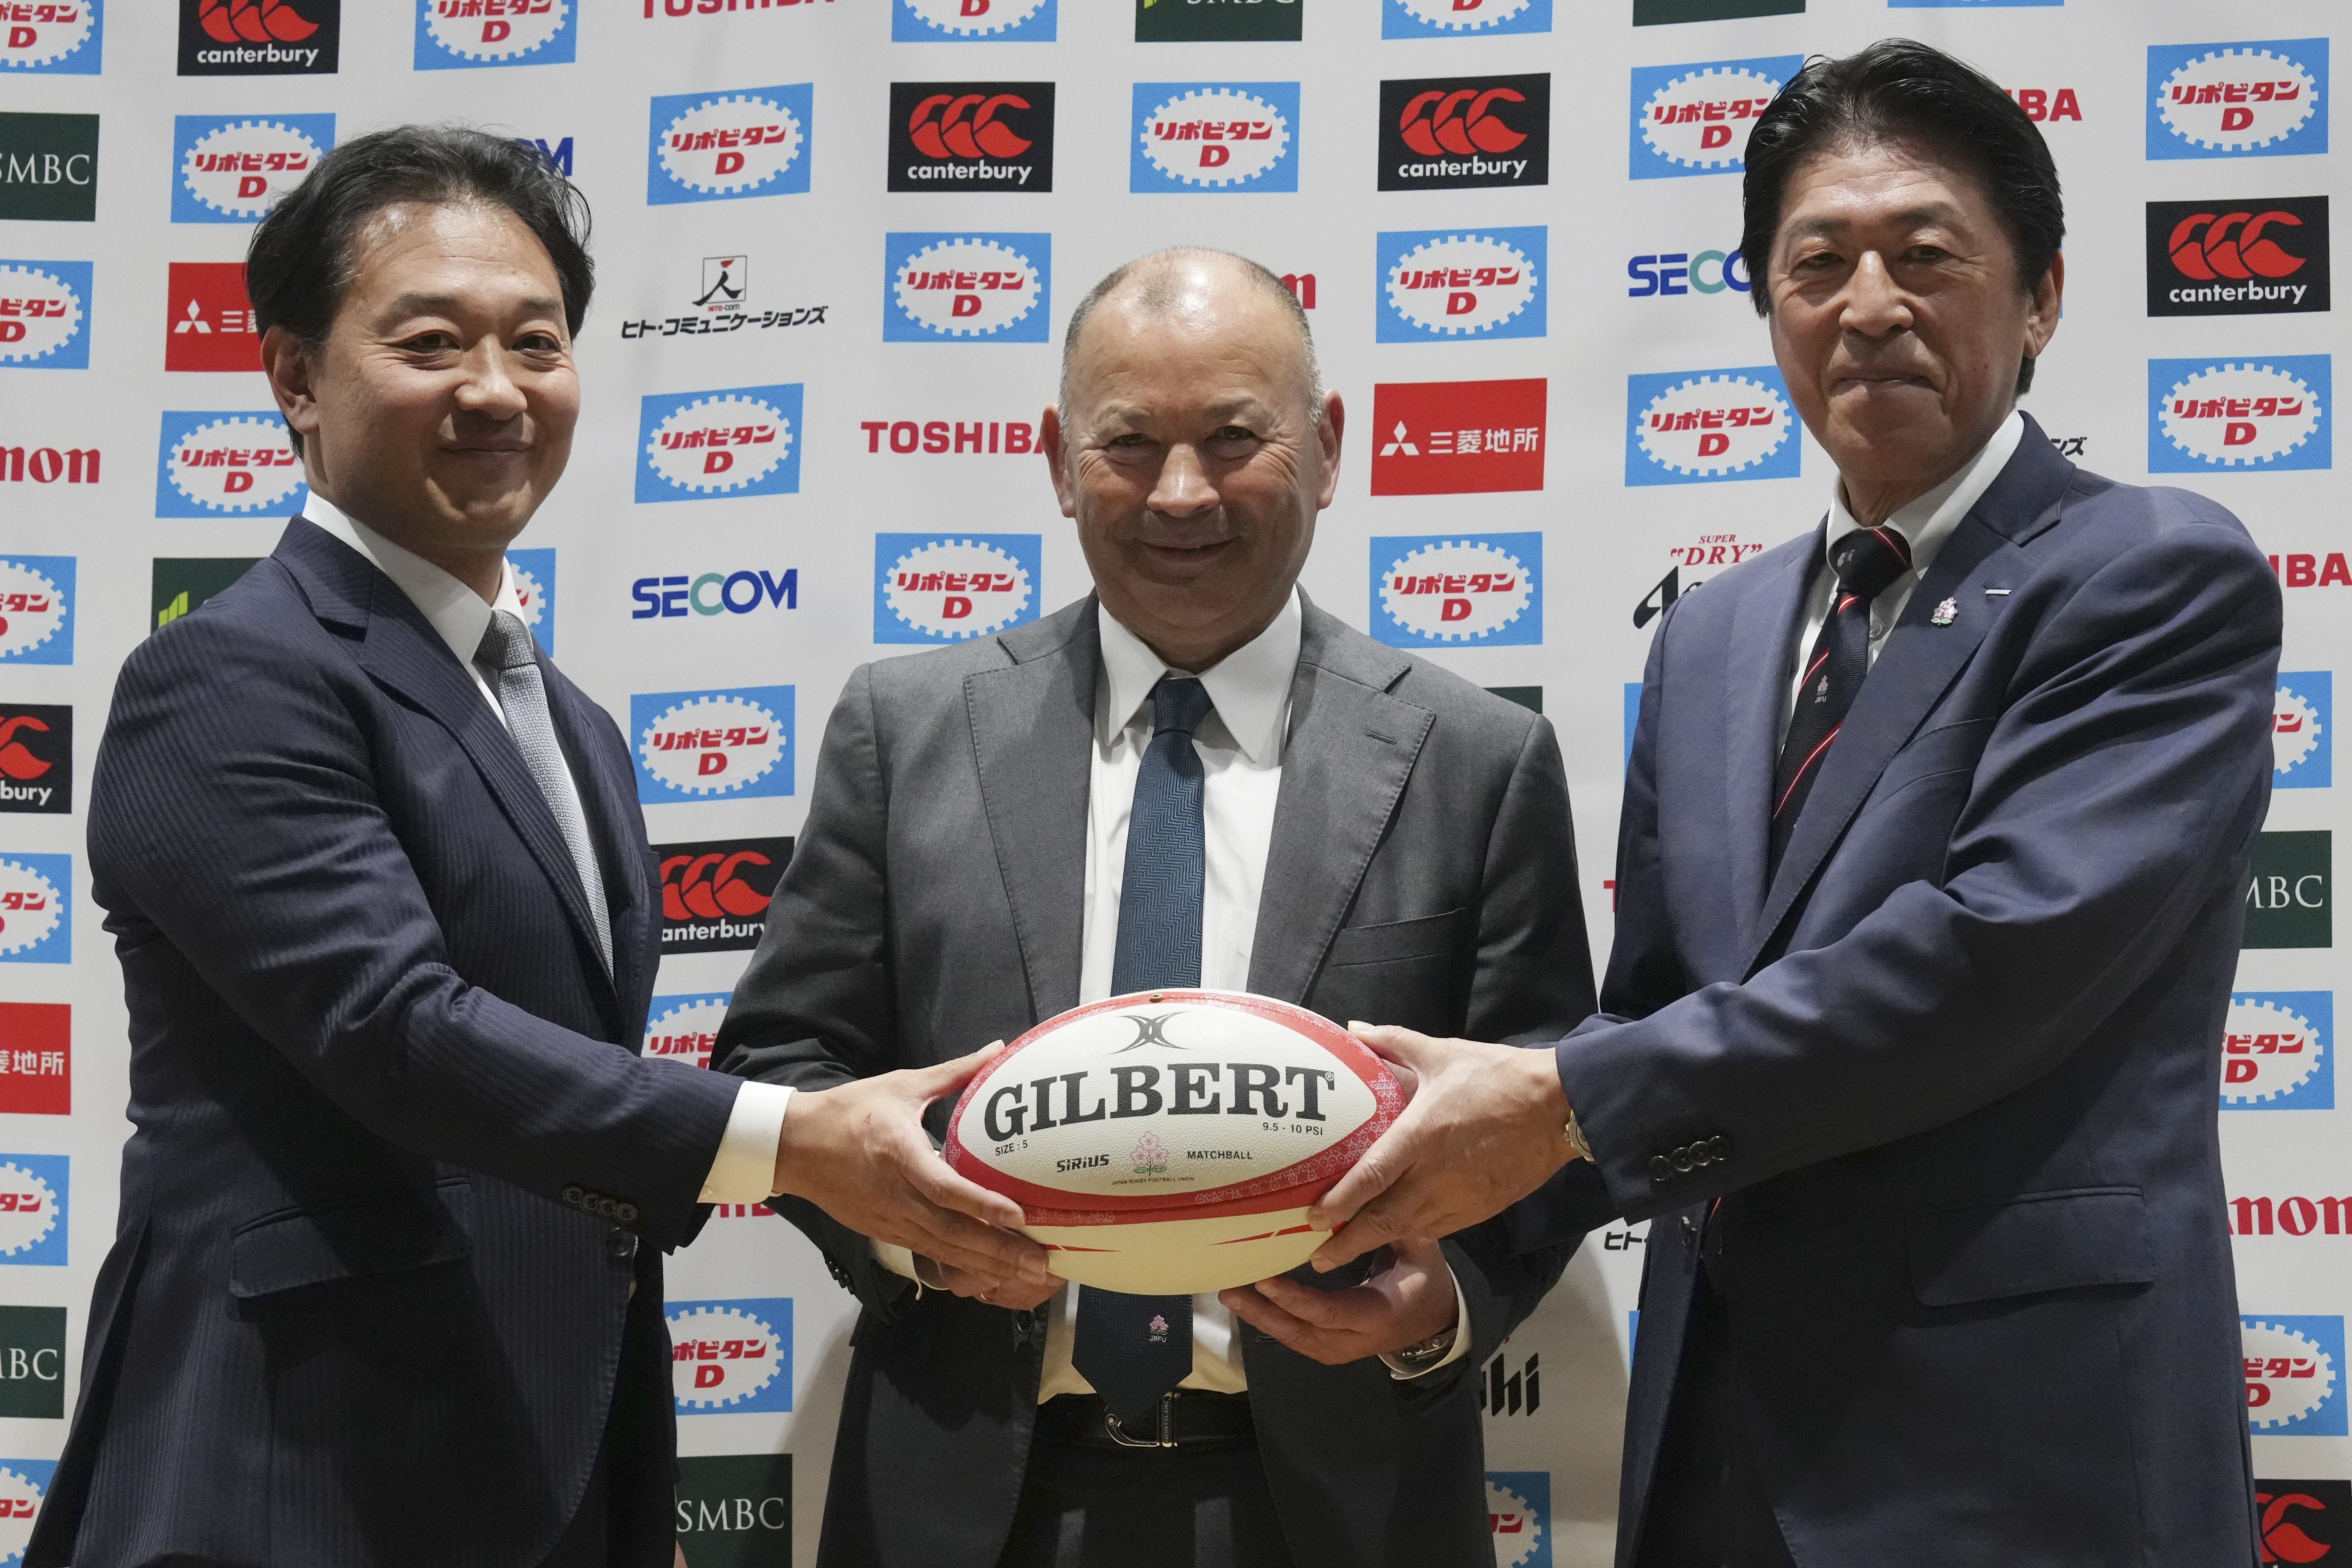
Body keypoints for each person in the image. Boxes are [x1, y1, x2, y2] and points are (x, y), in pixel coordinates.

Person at [1306, 40, 2282, 1568]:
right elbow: (1645, 1011)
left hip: (2030, 1466)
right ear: (1768, 303)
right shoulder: (1710, 639)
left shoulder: (2152, 575)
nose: (1869, 301)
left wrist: (1557, 1105)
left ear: (2041, 297)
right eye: (1816, 259)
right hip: (1717, 1456)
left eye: (1925, 254)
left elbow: (1989, 959)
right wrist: (1450, 1272)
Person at [32, 126, 1044, 1568]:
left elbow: (566, 1158)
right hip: (290, 1481)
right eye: (431, 342)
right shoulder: (230, 675)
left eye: (537, 342)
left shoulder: (570, 723)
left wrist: (631, 1498)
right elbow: (394, 1028)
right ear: (295, 379)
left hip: (544, 1472)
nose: (496, 391)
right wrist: (793, 1143)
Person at [712, 248, 1594, 1568]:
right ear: (1061, 461)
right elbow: (782, 1066)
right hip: (967, 1505)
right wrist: (913, 1243)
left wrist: (1442, 1305)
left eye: (1236, 437)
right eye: (1130, 444)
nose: (1182, 493)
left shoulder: (1474, 759)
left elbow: (1552, 1107)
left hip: (1343, 1512)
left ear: (1329, 444)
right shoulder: (904, 731)